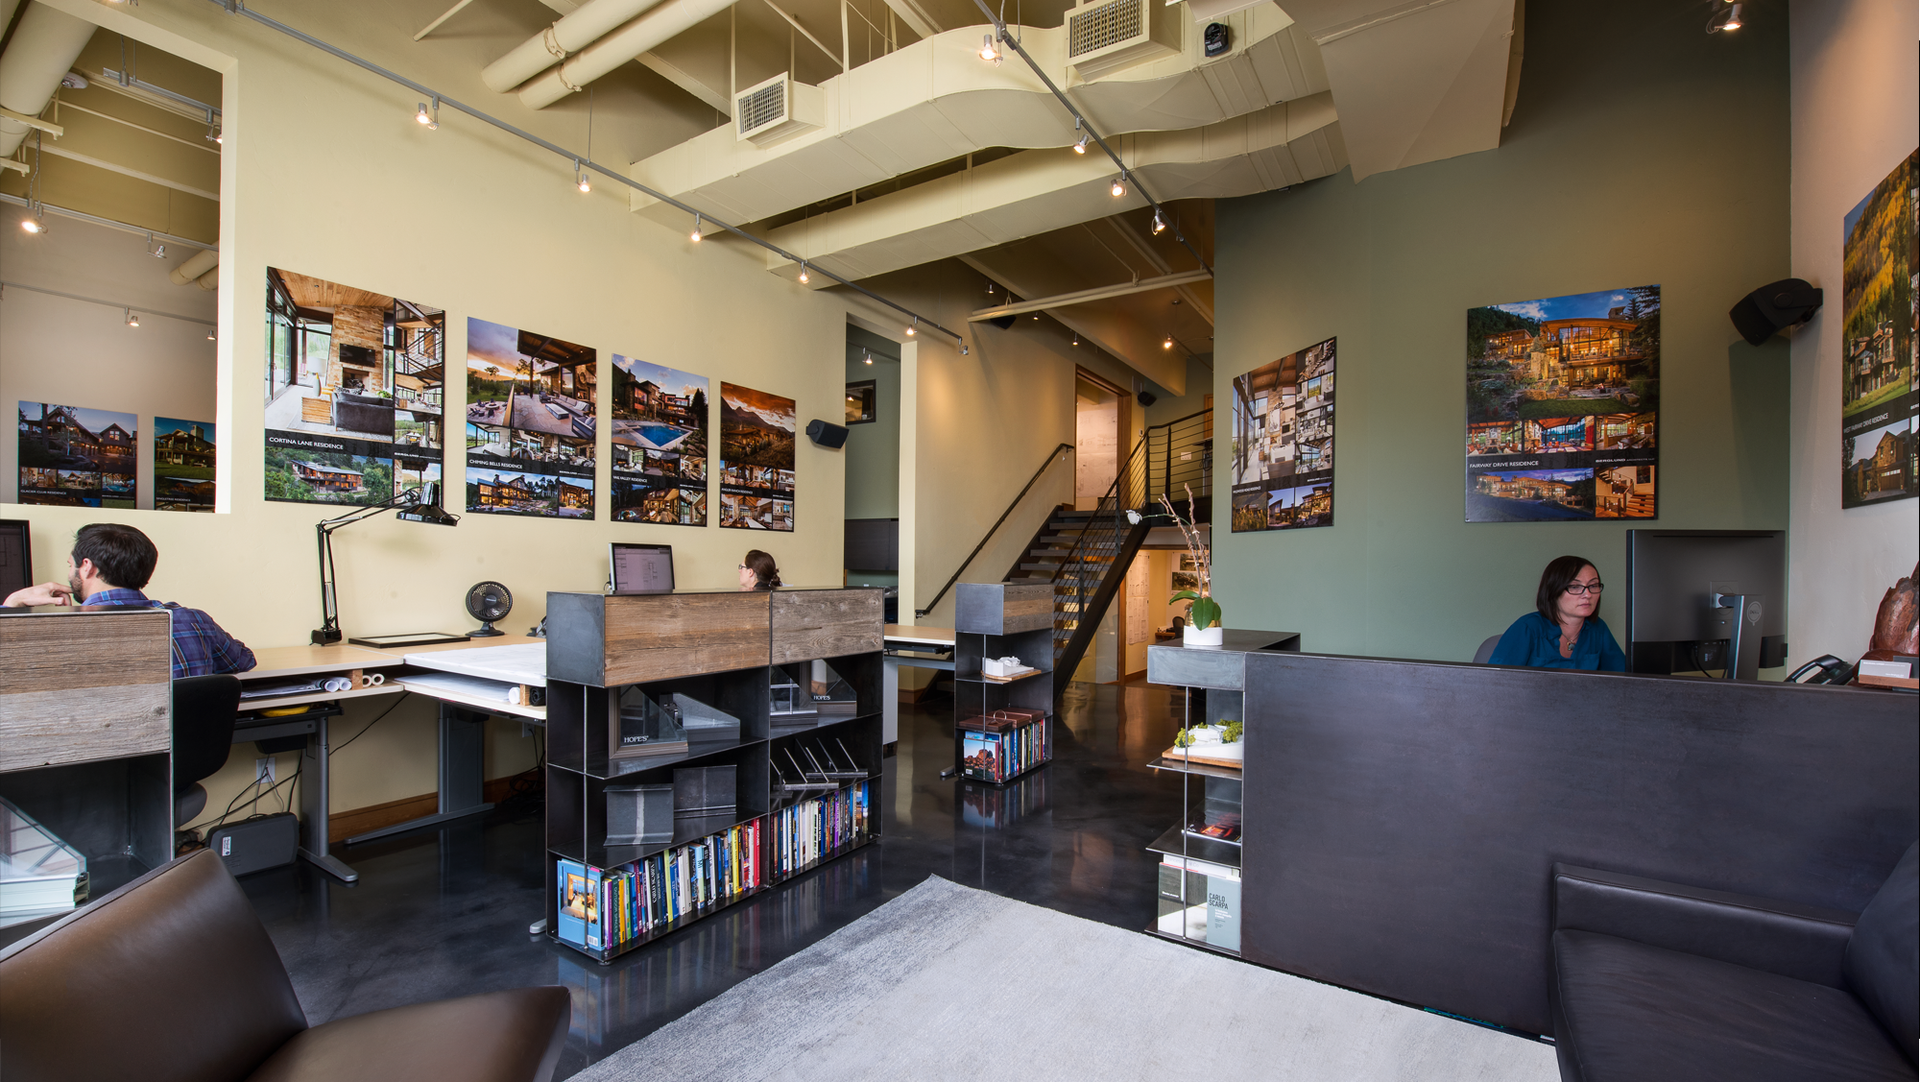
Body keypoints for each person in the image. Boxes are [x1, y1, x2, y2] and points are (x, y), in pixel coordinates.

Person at [2, 523, 256, 679]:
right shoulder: (192, 619)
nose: (69, 573)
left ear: (87, 567)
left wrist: (12, 603)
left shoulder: (55, 633)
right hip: (182, 758)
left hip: (96, 761)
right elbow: (243, 661)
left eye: (71, 565)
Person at [1486, 555, 1626, 672]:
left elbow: (1625, 680)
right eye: (1575, 587)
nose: (1587, 594)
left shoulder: (1597, 628)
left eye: (1593, 585)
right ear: (1553, 591)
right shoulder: (1527, 627)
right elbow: (1495, 684)